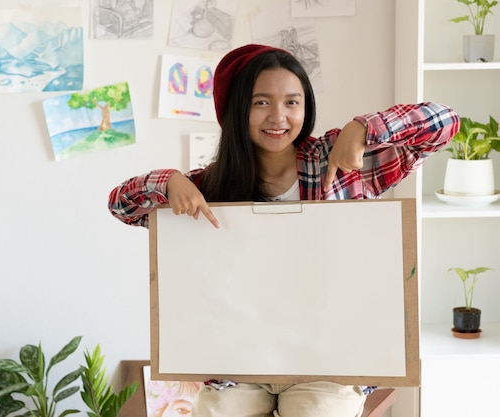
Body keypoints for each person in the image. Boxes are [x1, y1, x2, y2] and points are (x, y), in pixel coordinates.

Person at [108, 44, 459, 417]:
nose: (278, 116)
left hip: (328, 364)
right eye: (261, 102)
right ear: (236, 110)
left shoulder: (340, 161)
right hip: (238, 365)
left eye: (292, 102)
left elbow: (444, 122)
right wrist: (169, 181)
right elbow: (121, 205)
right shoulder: (210, 187)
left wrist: (364, 127)